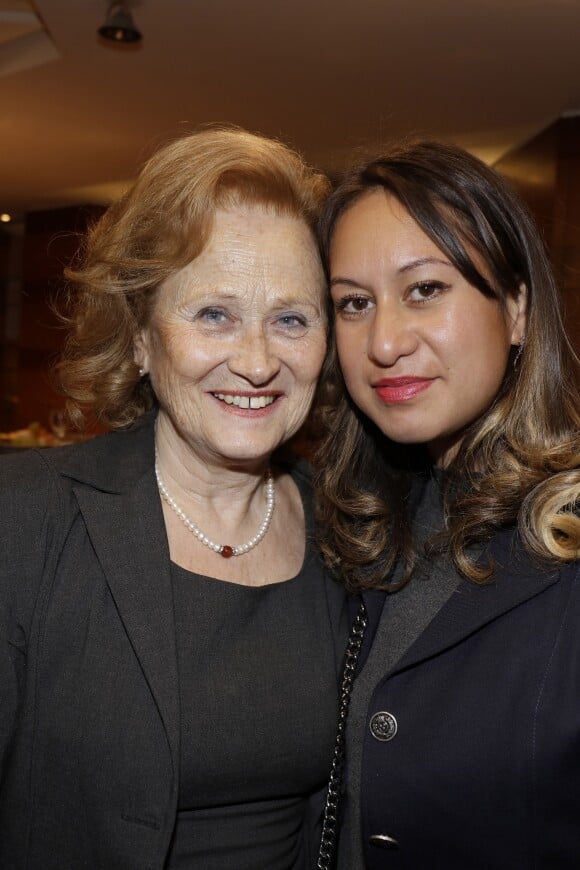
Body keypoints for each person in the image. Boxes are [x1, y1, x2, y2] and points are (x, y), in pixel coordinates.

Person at [0, 126, 348, 870]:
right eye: (213, 314)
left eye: (291, 318)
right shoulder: (23, 520)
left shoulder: (354, 532)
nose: (256, 362)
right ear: (140, 337)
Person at [314, 140, 580, 869]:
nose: (385, 341)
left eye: (425, 288)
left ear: (517, 309)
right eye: (353, 304)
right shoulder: (346, 529)